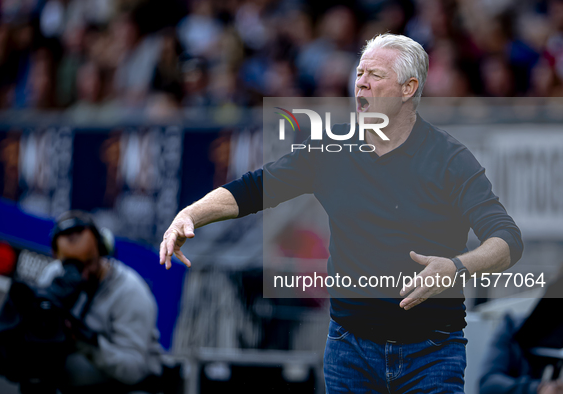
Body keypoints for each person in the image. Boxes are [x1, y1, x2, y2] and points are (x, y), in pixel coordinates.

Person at [159, 33, 523, 393]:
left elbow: (507, 239)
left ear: (409, 88)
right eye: (360, 73)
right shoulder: (330, 150)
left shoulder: (450, 160)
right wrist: (190, 215)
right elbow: (255, 188)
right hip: (350, 351)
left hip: (431, 354)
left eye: (375, 76)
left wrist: (456, 268)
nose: (361, 83)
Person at [0, 210, 163, 393]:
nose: (79, 274)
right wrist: (2, 350)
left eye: (87, 263)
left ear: (102, 248)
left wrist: (84, 341)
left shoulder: (130, 291)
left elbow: (134, 370)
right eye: (71, 264)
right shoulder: (55, 274)